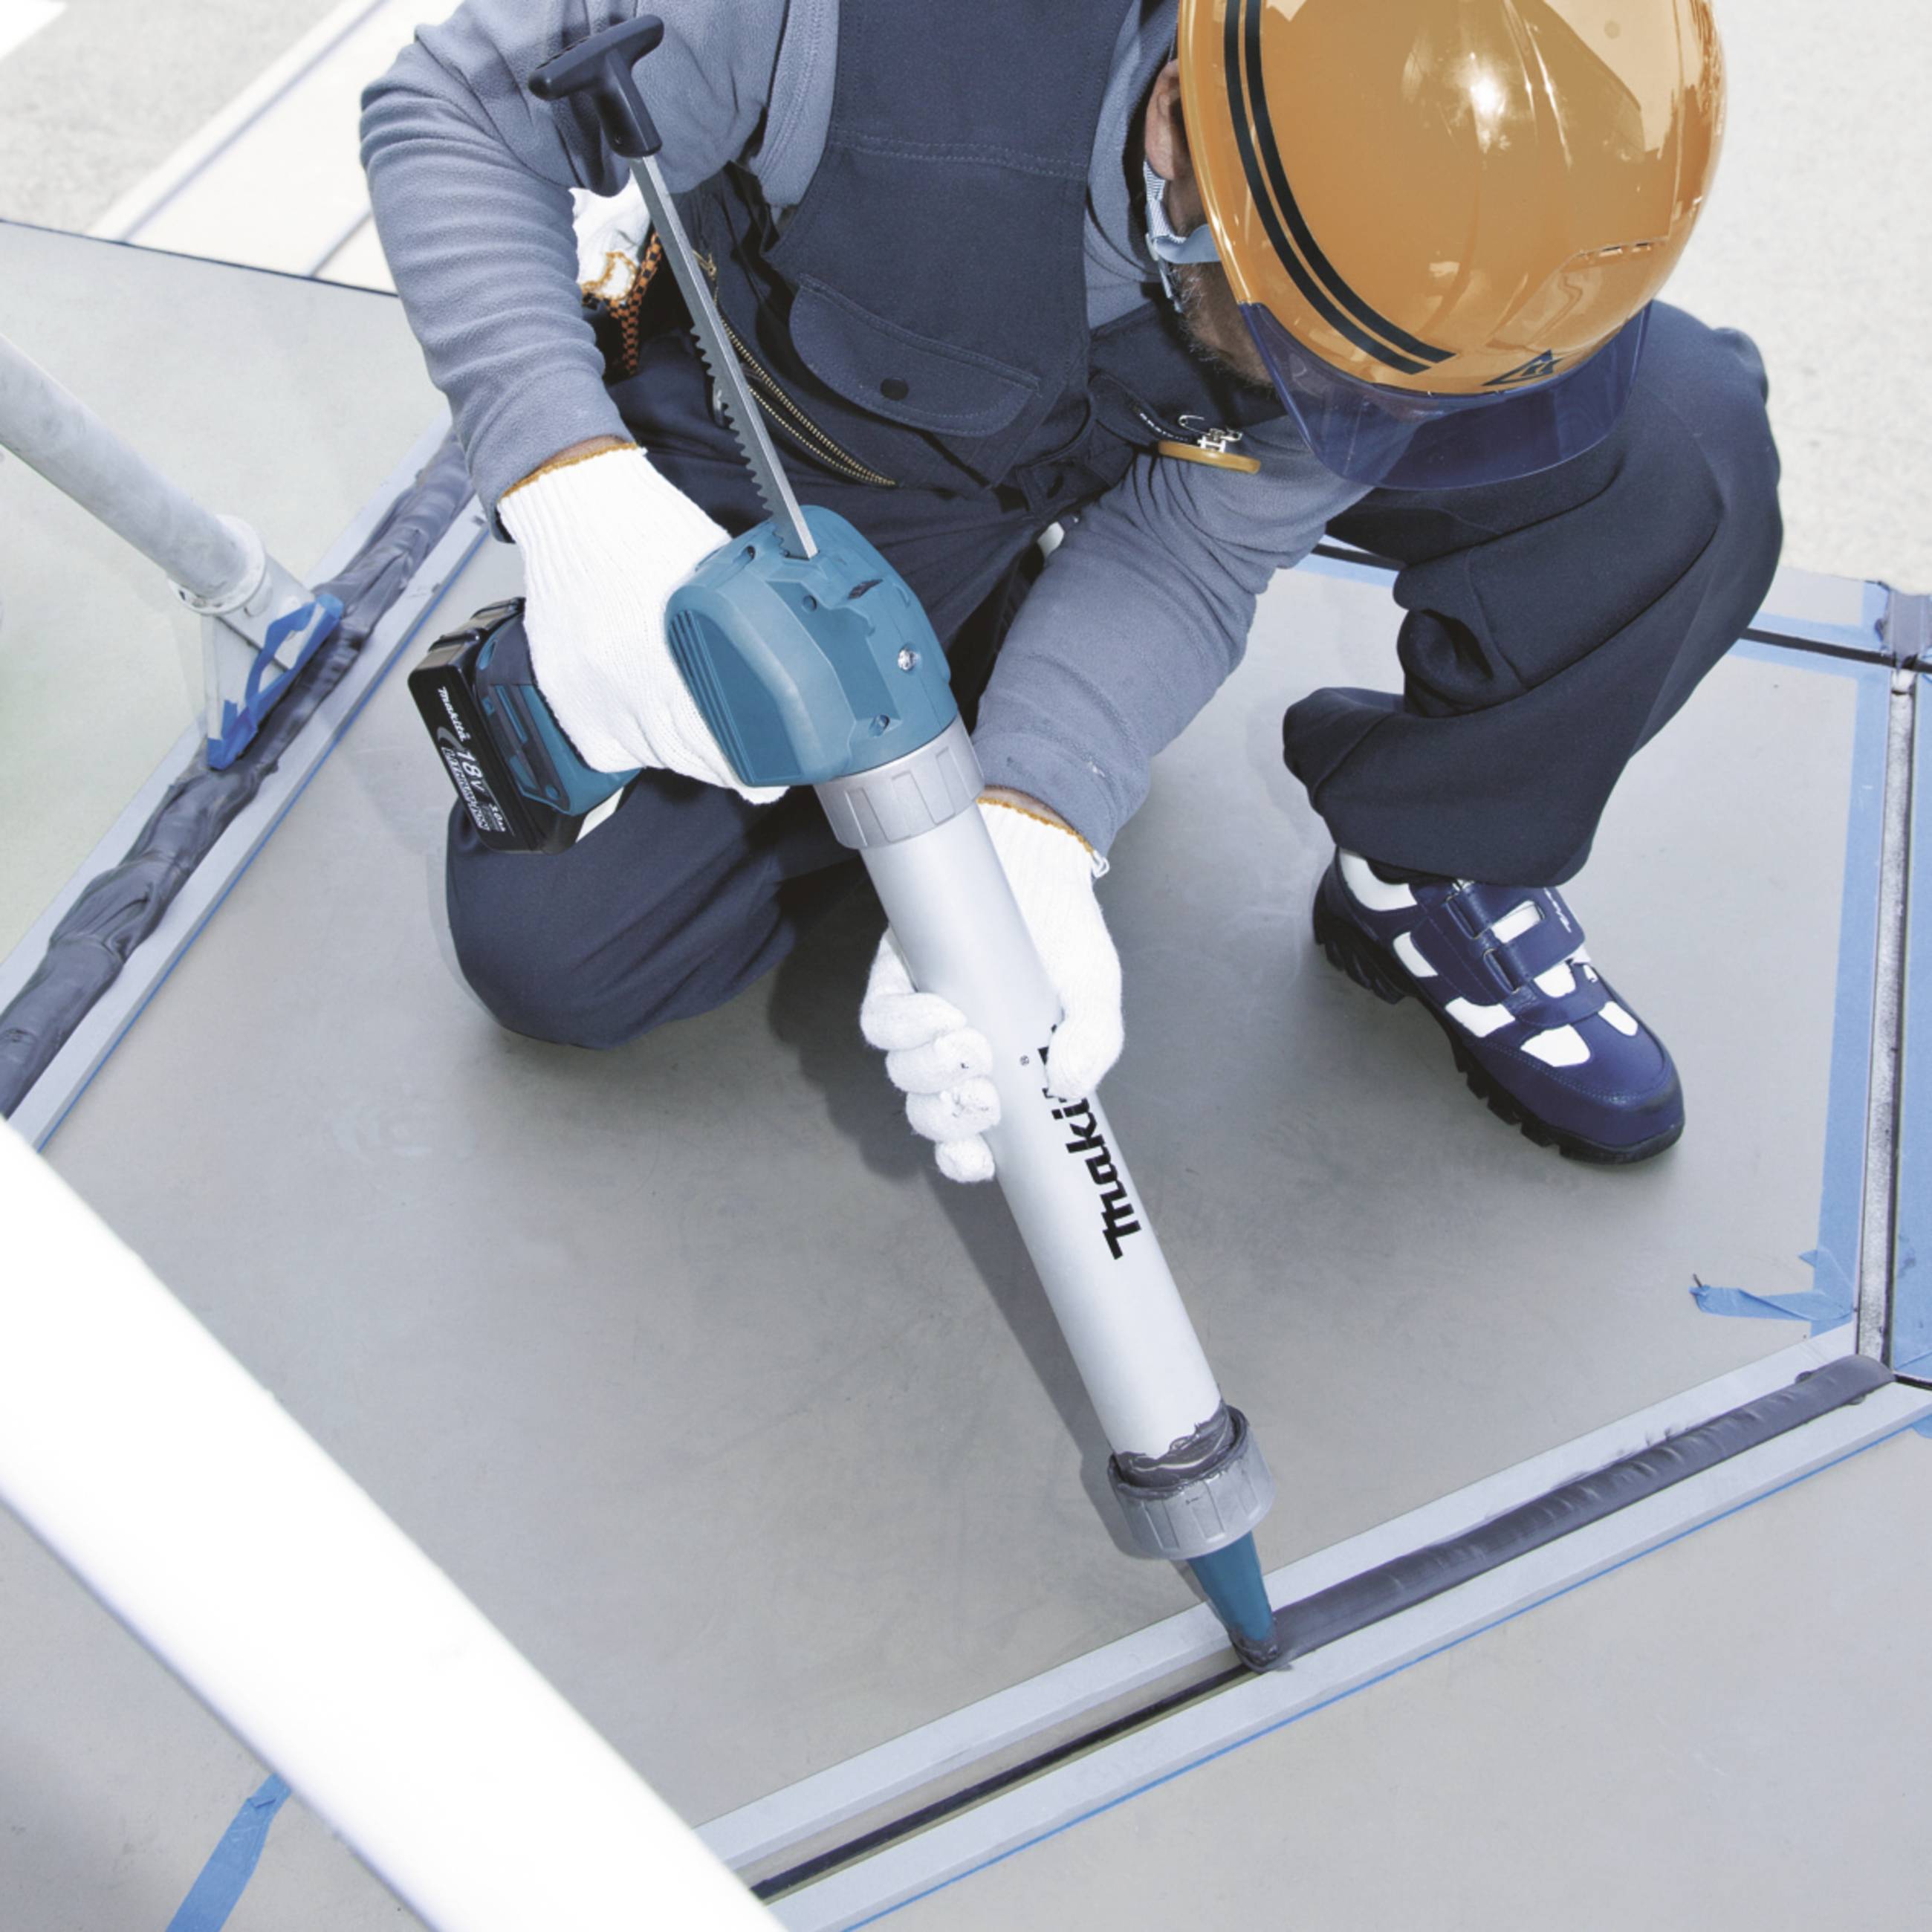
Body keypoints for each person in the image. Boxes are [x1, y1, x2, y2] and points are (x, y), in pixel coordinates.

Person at [361, 0, 1779, 1178]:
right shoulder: (832, 24)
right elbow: (451, 110)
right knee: (561, 950)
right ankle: (957, 639)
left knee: (1680, 447)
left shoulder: (1389, 244)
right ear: (1179, 121)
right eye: (1306, 350)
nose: (1328, 411)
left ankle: (1434, 850)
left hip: (1138, 423)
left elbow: (1200, 537)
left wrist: (1041, 814)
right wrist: (570, 484)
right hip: (854, 444)